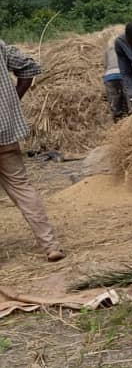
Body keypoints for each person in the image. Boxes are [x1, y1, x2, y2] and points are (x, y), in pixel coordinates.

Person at [0, 40, 65, 261]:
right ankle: (51, 245)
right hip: (6, 132)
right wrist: (12, 102)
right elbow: (29, 67)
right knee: (23, 188)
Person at [102, 40, 128, 121]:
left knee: (113, 97)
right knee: (128, 94)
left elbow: (105, 65)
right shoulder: (125, 48)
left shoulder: (107, 50)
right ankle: (131, 113)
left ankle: (116, 116)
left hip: (109, 76)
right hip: (123, 73)